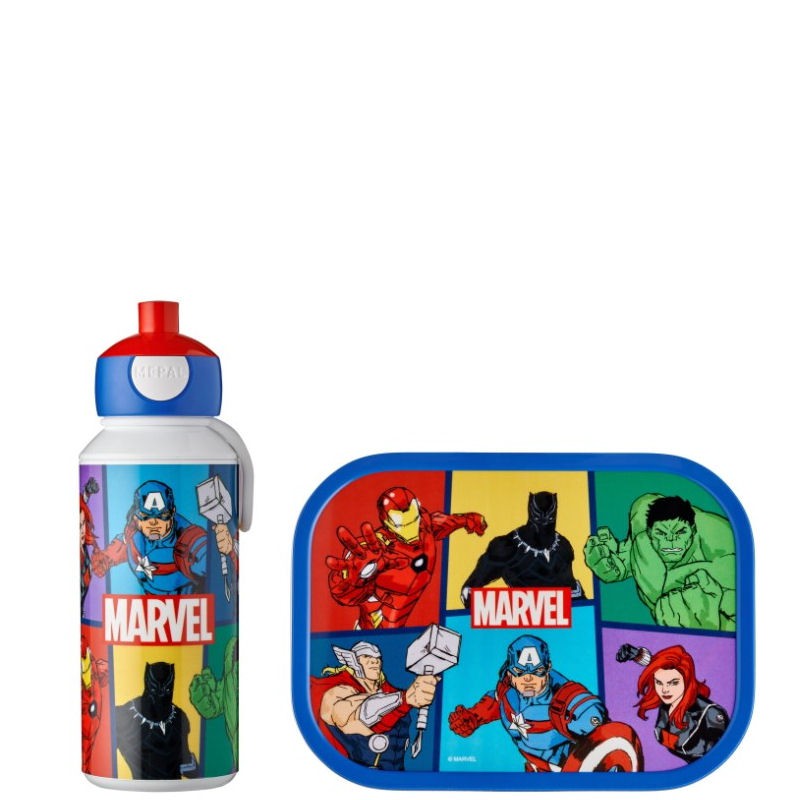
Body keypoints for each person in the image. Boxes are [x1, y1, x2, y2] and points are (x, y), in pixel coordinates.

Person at [449, 635, 616, 771]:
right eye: (520, 672)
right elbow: (496, 700)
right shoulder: (507, 690)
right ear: (510, 673)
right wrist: (473, 717)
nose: (528, 679)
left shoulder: (565, 698)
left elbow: (597, 725)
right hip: (533, 770)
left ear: (548, 669)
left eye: (537, 671)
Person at [326, 486, 486, 628]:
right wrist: (353, 580)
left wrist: (469, 520)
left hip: (408, 612)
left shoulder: (424, 525)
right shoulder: (375, 550)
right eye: (402, 525)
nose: (411, 530)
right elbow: (345, 592)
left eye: (414, 520)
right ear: (387, 524)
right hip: (378, 626)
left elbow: (441, 524)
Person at [584, 494, 735, 630]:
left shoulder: (719, 539)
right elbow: (659, 589)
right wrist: (627, 558)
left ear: (693, 531)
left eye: (680, 532)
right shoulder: (642, 518)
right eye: (661, 533)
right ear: (650, 532)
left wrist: (713, 631)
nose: (671, 540)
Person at [311, 640, 438, 770]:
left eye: (378, 658)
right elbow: (346, 717)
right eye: (367, 656)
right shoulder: (339, 690)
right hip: (358, 773)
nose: (375, 661)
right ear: (353, 660)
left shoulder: (390, 692)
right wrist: (403, 699)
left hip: (397, 771)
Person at [92, 480, 233, 595]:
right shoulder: (132, 534)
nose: (154, 523)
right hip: (145, 611)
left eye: (162, 516)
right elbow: (122, 545)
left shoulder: (189, 540)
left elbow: (214, 563)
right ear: (137, 518)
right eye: (146, 517)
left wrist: (226, 550)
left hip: (187, 611)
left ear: (172, 513)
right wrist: (106, 558)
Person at [461, 492, 584, 608]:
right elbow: (469, 592)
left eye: (550, 519)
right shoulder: (506, 547)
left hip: (558, 619)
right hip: (517, 619)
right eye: (538, 518)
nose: (544, 525)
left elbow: (576, 595)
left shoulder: (563, 547)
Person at [617, 642, 730, 763]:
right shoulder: (667, 705)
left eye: (674, 683)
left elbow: (725, 755)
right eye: (659, 683)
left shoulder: (711, 714)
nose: (665, 690)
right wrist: (638, 655)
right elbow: (664, 667)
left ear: (687, 680)